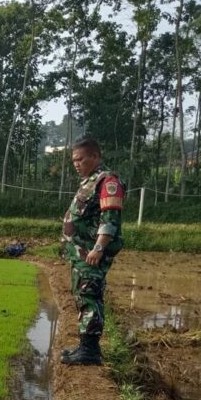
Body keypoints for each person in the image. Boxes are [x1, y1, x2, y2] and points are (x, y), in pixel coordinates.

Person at [60, 138, 124, 366]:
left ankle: (90, 351)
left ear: (95, 157)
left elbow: (110, 218)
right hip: (80, 254)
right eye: (74, 160)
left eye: (81, 159)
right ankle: (84, 345)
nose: (76, 164)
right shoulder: (89, 182)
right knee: (83, 296)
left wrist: (98, 248)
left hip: (91, 253)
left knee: (89, 295)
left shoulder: (107, 181)